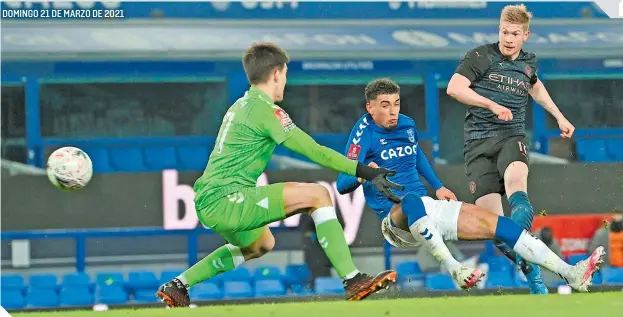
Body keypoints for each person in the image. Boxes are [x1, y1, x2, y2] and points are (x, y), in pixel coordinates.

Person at [157, 43, 402, 307]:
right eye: (285, 74)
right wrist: (365, 170)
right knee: (318, 194)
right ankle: (352, 280)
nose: (285, 80)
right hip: (227, 198)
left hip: (210, 200)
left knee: (261, 243)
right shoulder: (266, 111)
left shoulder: (241, 105)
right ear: (276, 73)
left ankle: (179, 285)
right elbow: (314, 150)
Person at [336, 78, 604, 292]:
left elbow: (416, 155)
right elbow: (342, 183)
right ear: (370, 107)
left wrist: (439, 186)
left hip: (427, 209)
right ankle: (456, 269)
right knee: (411, 201)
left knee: (502, 226)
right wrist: (364, 173)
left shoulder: (407, 125)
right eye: (384, 105)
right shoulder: (363, 134)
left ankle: (570, 273)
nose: (392, 111)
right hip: (394, 222)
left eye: (396, 103)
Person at [446, 4, 576, 294]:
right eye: (504, 31)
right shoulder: (480, 56)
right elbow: (454, 88)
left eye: (515, 33)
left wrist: (559, 116)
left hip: (511, 136)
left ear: (525, 35)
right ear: (499, 30)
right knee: (494, 228)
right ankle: (532, 272)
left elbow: (535, 86)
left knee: (517, 186)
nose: (508, 38)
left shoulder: (528, 63)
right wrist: (490, 104)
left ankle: (541, 268)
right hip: (478, 145)